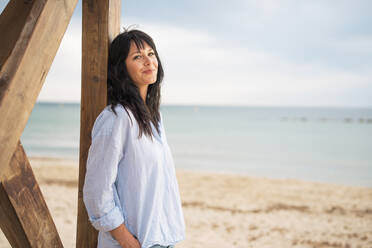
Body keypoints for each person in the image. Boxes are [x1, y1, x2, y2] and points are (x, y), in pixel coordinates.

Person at [83, 29, 186, 248]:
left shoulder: (153, 117)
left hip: (161, 238)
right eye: (137, 57)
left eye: (151, 53)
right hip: (133, 242)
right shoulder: (116, 118)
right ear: (122, 68)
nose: (148, 61)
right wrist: (127, 241)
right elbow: (96, 190)